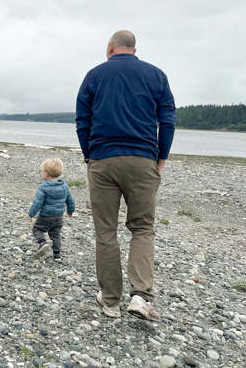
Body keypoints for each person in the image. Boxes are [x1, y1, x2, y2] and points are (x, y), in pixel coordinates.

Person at [76, 30, 175, 321]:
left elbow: (83, 121)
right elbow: (167, 120)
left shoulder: (94, 75)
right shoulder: (156, 75)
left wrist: (89, 156)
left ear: (110, 47)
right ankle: (141, 296)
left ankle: (110, 302)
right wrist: (161, 159)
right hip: (143, 160)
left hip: (103, 160)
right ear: (134, 50)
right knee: (142, 229)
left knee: (106, 231)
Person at [27, 158, 75, 262]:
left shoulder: (44, 186)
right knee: (55, 234)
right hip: (59, 216)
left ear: (45, 174)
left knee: (37, 229)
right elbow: (70, 199)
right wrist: (70, 210)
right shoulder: (64, 186)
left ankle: (42, 243)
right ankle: (57, 255)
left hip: (46, 215)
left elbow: (37, 202)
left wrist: (31, 214)